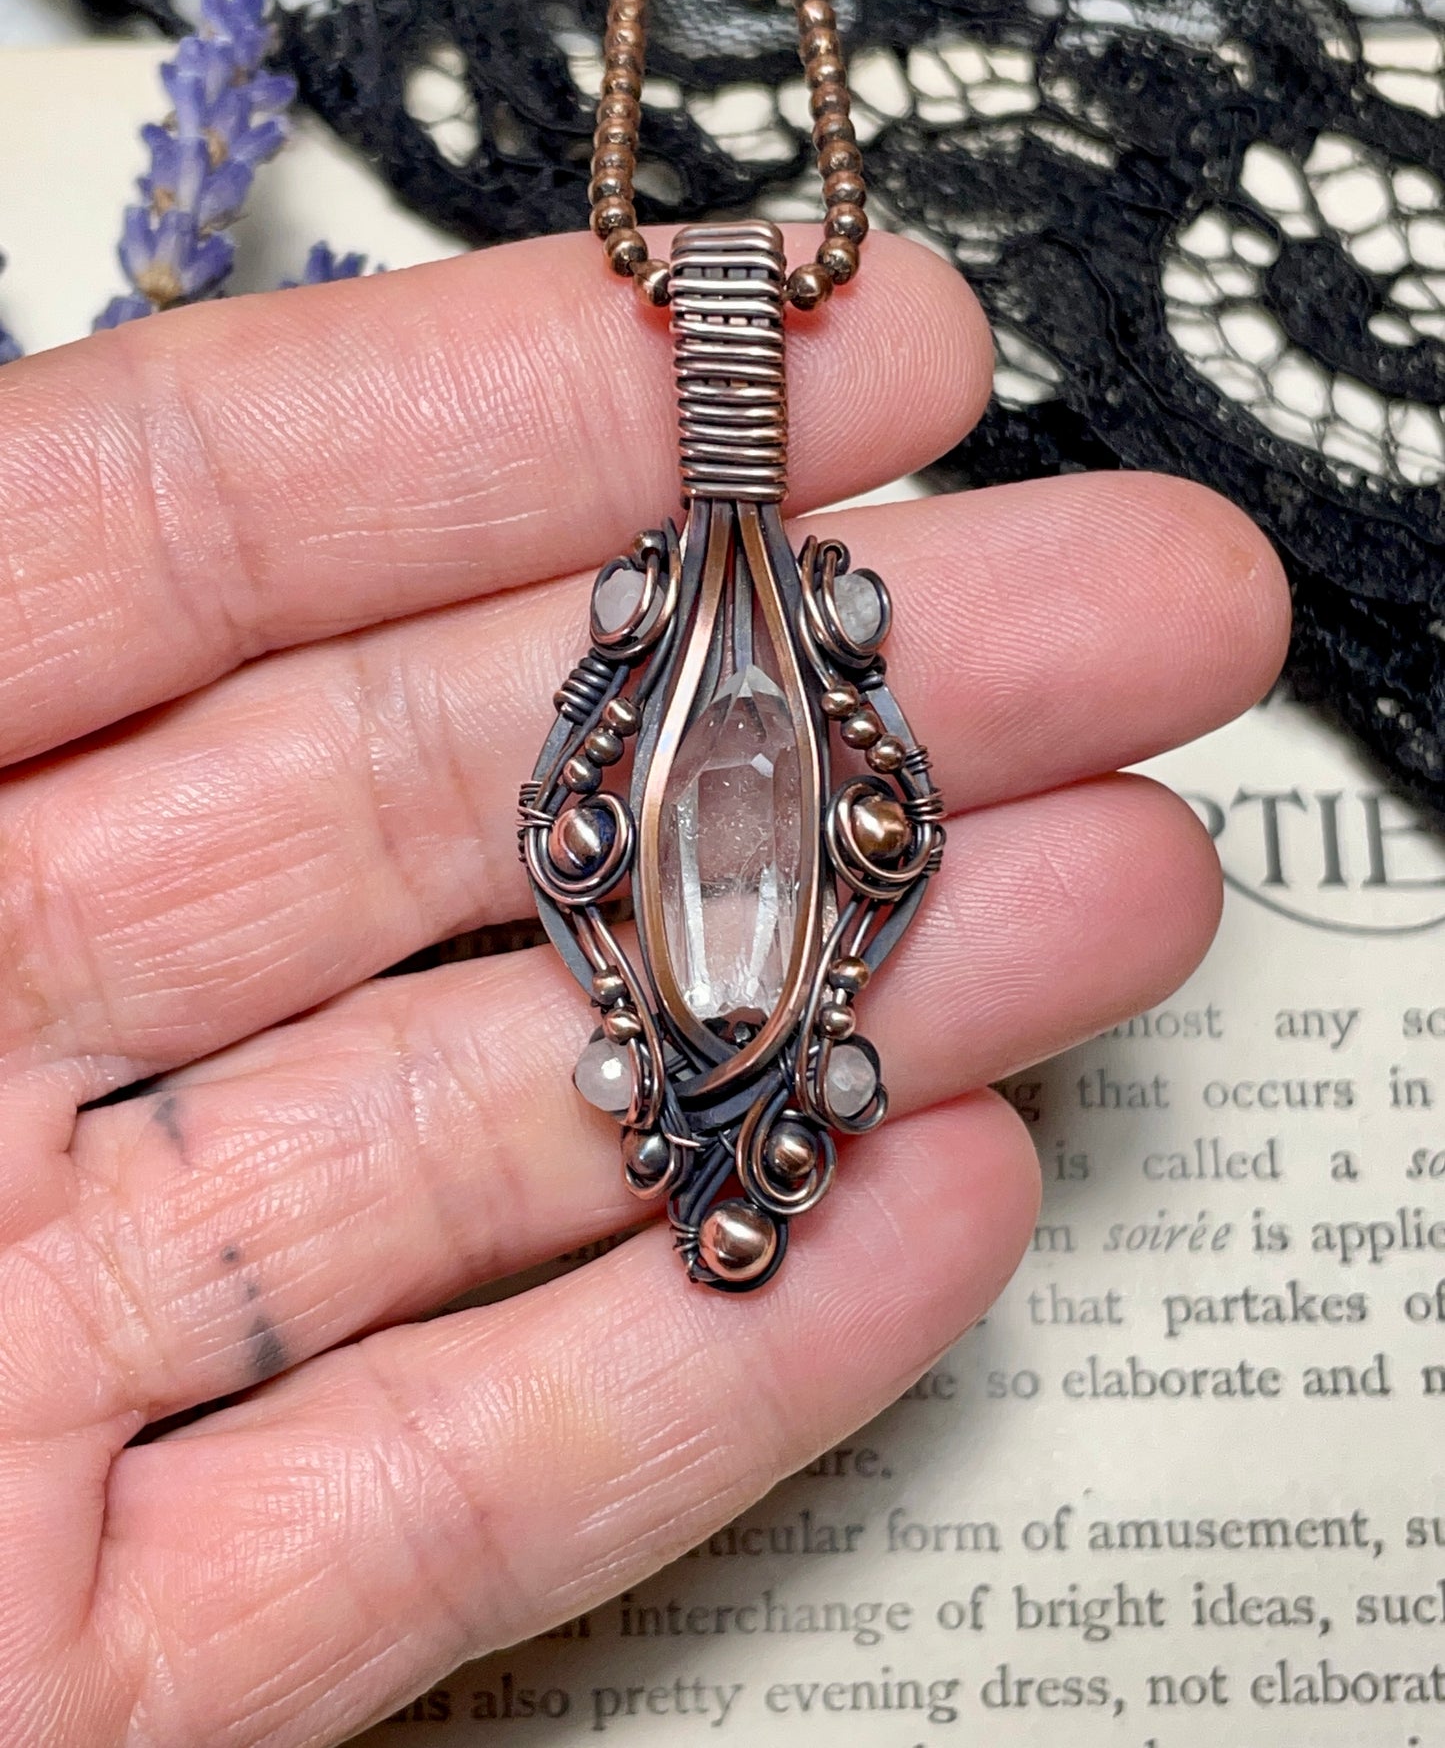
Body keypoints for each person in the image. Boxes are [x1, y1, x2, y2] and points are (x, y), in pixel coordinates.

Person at [0, 225, 1289, 1745]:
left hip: (723, 984)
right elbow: (682, 829)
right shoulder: (743, 682)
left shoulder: (725, 680)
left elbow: (775, 828)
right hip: (732, 987)